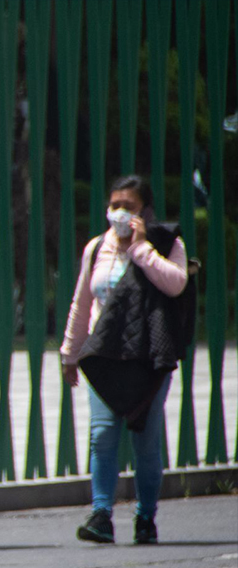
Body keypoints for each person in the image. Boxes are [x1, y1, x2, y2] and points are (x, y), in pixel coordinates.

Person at [60, 174, 189, 546]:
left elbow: (175, 283)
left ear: (145, 211)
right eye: (114, 205)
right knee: (101, 436)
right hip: (105, 356)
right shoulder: (96, 247)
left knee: (146, 442)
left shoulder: (167, 243)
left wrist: (141, 249)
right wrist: (70, 353)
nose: (119, 213)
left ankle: (145, 516)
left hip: (146, 359)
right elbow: (82, 303)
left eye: (128, 207)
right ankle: (101, 513)